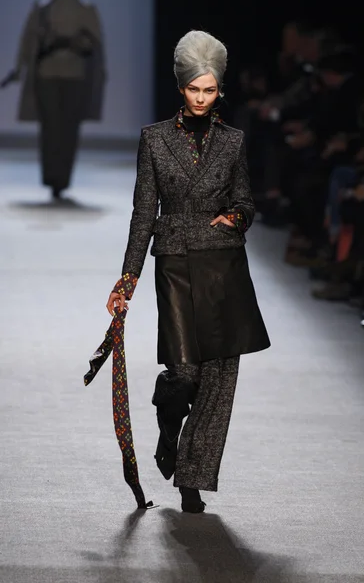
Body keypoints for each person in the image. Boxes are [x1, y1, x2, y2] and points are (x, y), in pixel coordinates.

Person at [106, 30, 270, 513]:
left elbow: (245, 201)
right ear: (181, 88)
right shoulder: (153, 140)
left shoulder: (234, 142)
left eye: (210, 90)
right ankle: (168, 421)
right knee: (182, 372)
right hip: (174, 258)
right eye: (194, 89)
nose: (202, 98)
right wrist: (127, 280)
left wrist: (237, 217)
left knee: (219, 375)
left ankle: (191, 479)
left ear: (220, 90)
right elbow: (142, 213)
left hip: (223, 263)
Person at [1, 0, 106, 200]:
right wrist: (19, 68)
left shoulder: (86, 8)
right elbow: (27, 41)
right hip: (46, 75)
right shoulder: (41, 8)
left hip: (75, 76)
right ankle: (52, 178)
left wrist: (79, 45)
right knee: (50, 126)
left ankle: (62, 179)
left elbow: (97, 45)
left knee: (69, 128)